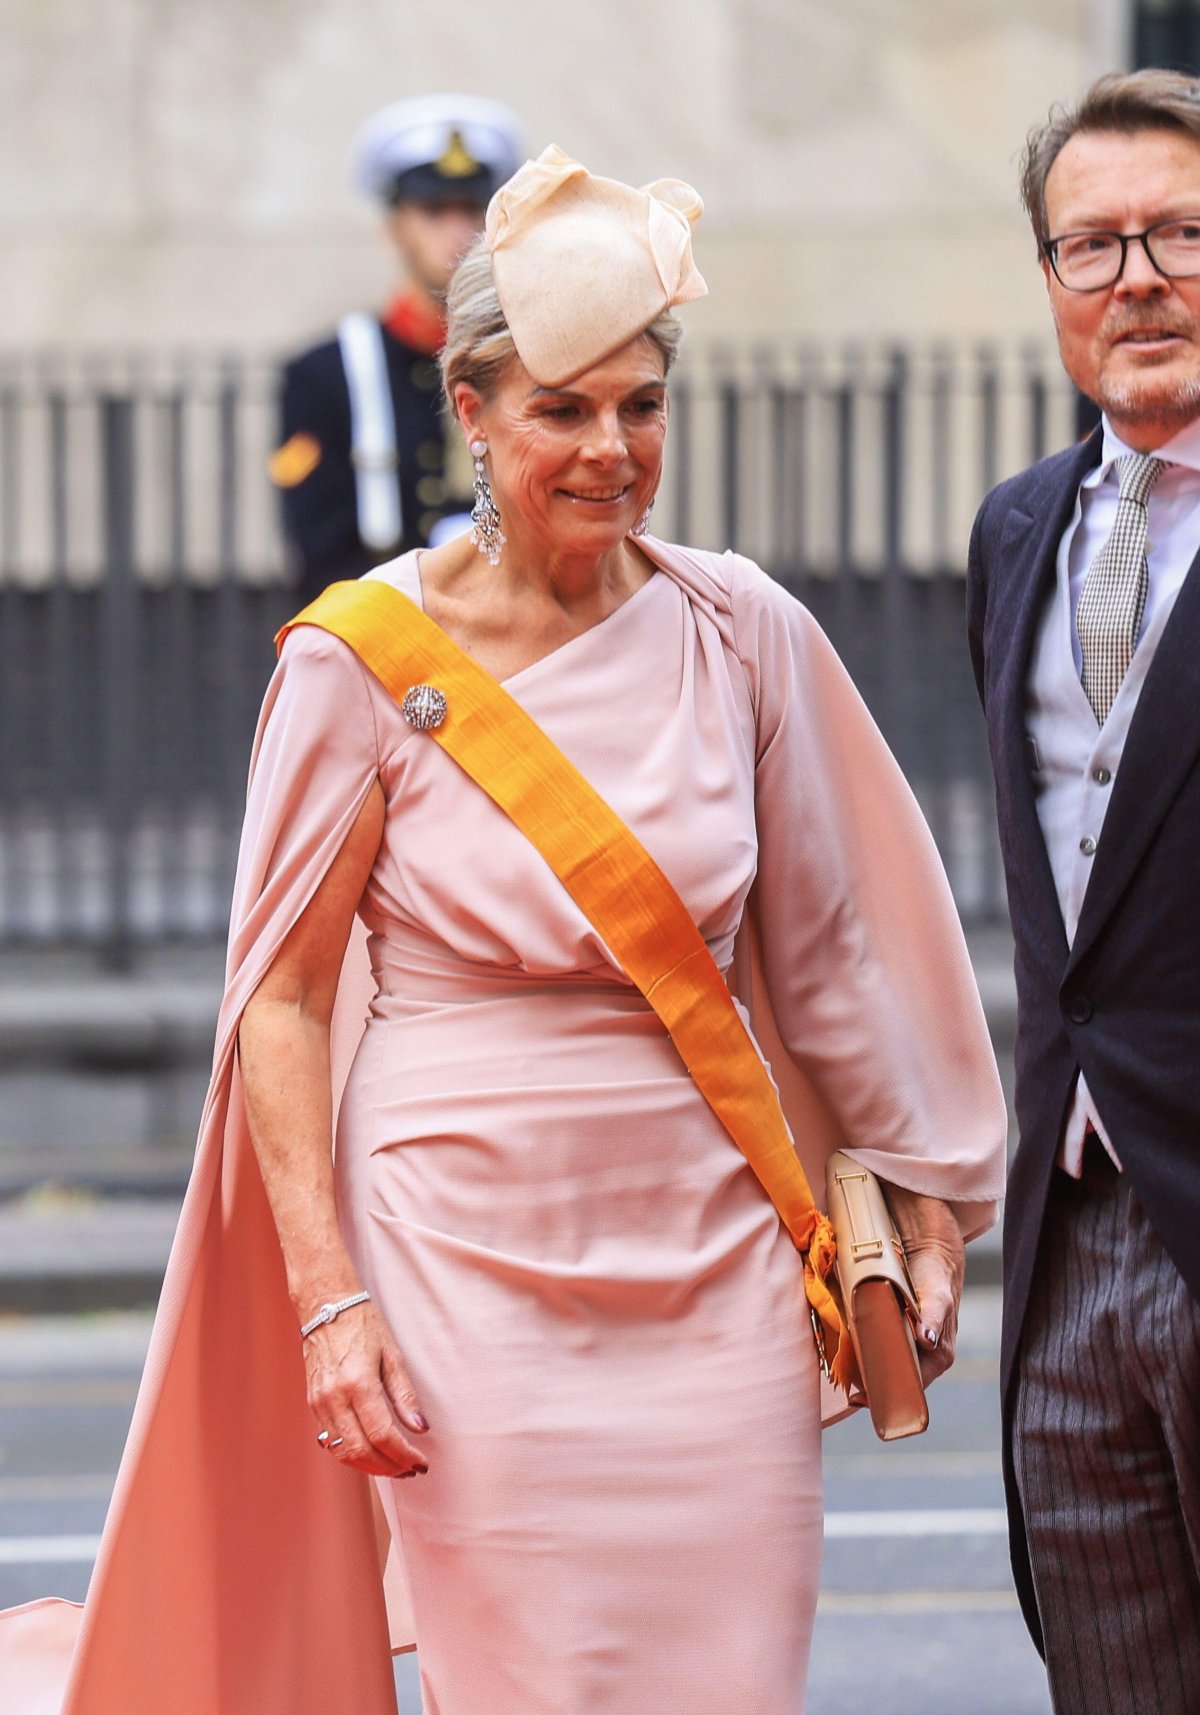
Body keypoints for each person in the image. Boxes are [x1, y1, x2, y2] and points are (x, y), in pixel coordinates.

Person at [4, 147, 1006, 1715]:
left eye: (642, 406)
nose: (614, 448)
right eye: (564, 408)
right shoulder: (360, 661)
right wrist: (332, 1304)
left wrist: (926, 1199)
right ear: (470, 410)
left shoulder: (742, 628)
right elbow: (281, 1003)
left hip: (720, 1259)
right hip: (459, 1260)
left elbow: (834, 952)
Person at [967, 68, 1200, 1715]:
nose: (1140, 278)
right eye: (1094, 245)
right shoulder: (1017, 529)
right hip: (1071, 1221)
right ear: (1050, 285)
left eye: (1183, 234)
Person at [271, 94, 523, 599]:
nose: (457, 230)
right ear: (395, 228)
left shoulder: (529, 356)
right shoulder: (325, 375)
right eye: (433, 210)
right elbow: (320, 555)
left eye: (472, 208)